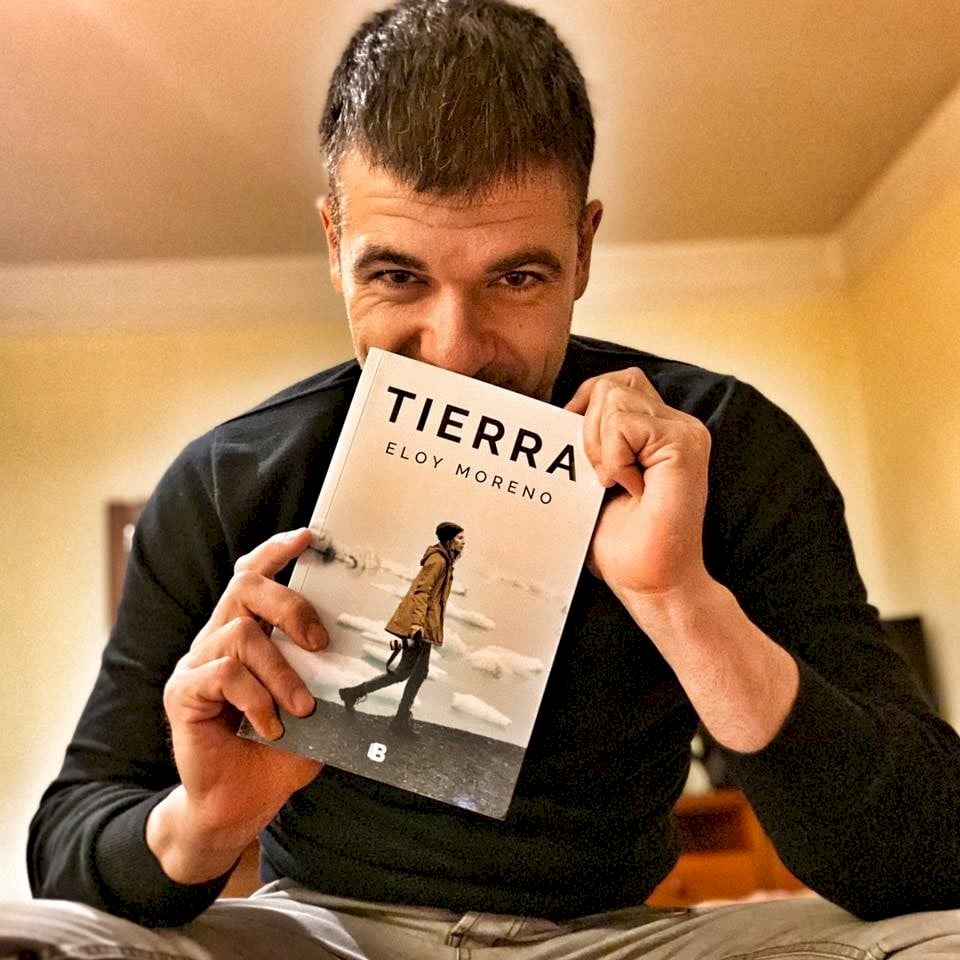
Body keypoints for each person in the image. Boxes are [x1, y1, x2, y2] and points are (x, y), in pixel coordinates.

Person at [4, 1, 960, 957]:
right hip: (323, 931)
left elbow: (932, 854)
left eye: (516, 279)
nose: (454, 352)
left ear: (583, 250)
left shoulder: (721, 447)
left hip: (614, 938)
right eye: (397, 277)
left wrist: (682, 603)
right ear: (335, 245)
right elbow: (68, 847)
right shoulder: (231, 479)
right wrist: (204, 820)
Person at [339, 522, 465, 736]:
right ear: (449, 539)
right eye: (460, 538)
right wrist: (417, 623)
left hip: (424, 624)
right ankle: (364, 699)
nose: (464, 542)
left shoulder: (445, 560)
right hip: (419, 625)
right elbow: (422, 592)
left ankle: (396, 716)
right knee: (404, 672)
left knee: (417, 673)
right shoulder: (438, 560)